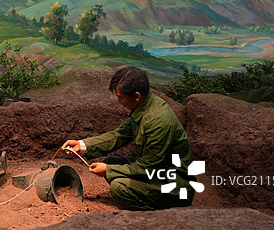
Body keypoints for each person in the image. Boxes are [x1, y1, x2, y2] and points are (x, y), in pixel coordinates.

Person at [61, 66, 194, 211]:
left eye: (120, 97)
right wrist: (82, 145)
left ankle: (156, 212)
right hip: (158, 171)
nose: (119, 102)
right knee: (110, 162)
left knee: (119, 187)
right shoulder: (145, 105)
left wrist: (109, 170)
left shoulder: (158, 121)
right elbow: (119, 135)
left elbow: (148, 167)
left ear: (136, 96)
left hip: (173, 183)